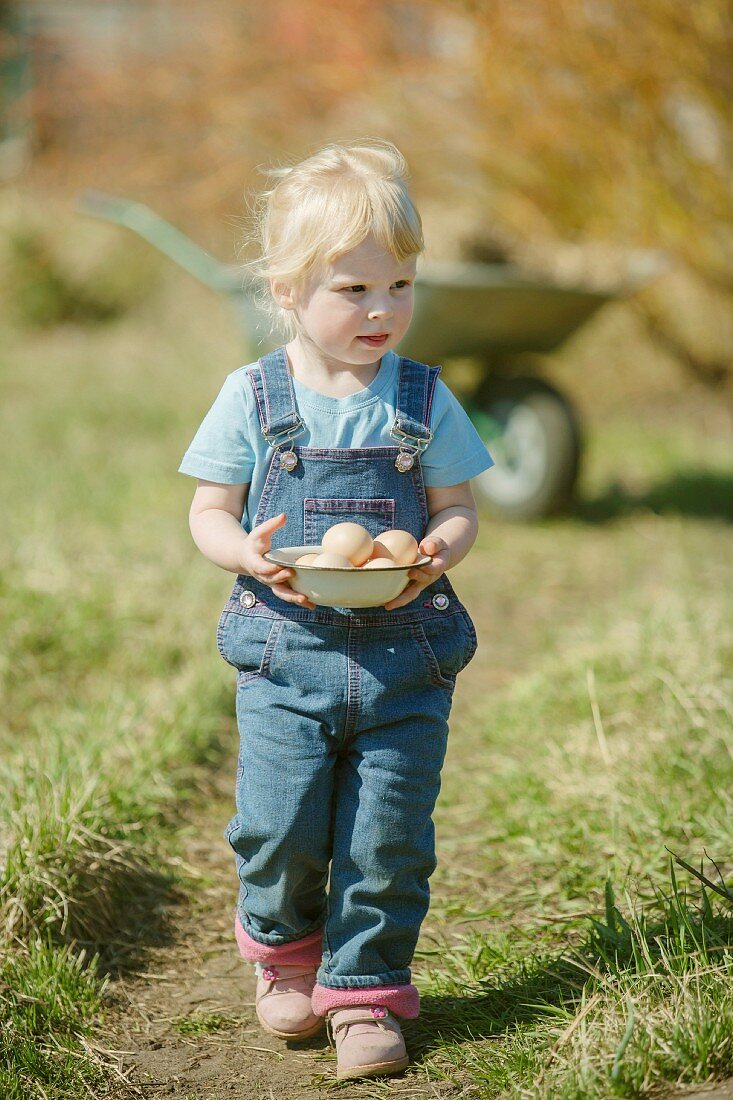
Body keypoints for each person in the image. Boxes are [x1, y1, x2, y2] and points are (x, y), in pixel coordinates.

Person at [179, 140, 494, 1081]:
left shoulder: (423, 398)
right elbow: (207, 513)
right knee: (278, 824)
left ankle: (363, 990)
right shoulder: (253, 397)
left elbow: (456, 506)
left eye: (399, 284)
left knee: (387, 835)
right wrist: (246, 553)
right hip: (286, 656)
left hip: (406, 660)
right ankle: (283, 952)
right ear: (285, 290)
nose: (382, 309)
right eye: (353, 290)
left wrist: (438, 548)